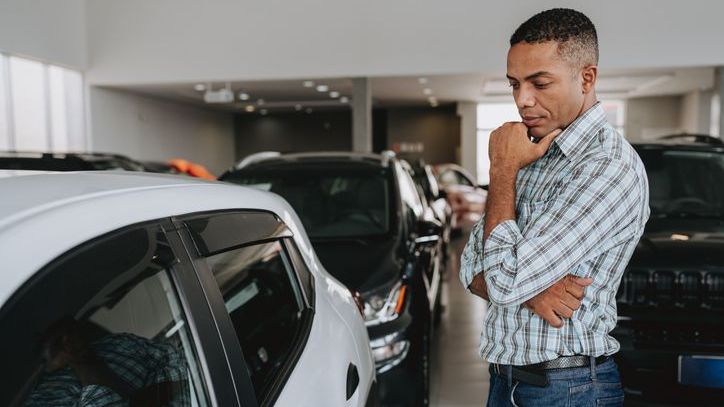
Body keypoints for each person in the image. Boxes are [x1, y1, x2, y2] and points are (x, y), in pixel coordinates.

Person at [460, 8, 649, 406]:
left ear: (587, 78)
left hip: (570, 388)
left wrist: (503, 168)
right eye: (514, 84)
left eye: (539, 83)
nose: (522, 100)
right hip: (506, 382)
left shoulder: (607, 167)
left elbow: (502, 279)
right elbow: (468, 267)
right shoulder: (535, 152)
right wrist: (530, 291)